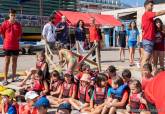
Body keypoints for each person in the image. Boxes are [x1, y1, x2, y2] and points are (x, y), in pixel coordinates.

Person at [0, 9, 22, 85]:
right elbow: (2, 34)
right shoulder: (4, 23)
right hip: (7, 45)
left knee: (14, 61)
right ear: (9, 15)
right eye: (11, 15)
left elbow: (19, 35)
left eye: (14, 15)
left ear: (15, 16)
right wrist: (7, 40)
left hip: (15, 45)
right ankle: (5, 79)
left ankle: (13, 77)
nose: (13, 16)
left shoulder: (18, 24)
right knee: (7, 62)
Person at [141, 0, 165, 66]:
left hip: (149, 41)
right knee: (145, 60)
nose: (152, 7)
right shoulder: (147, 13)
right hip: (148, 41)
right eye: (151, 5)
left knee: (147, 60)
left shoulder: (148, 16)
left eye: (152, 6)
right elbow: (159, 13)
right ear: (146, 6)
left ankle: (145, 75)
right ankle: (143, 76)